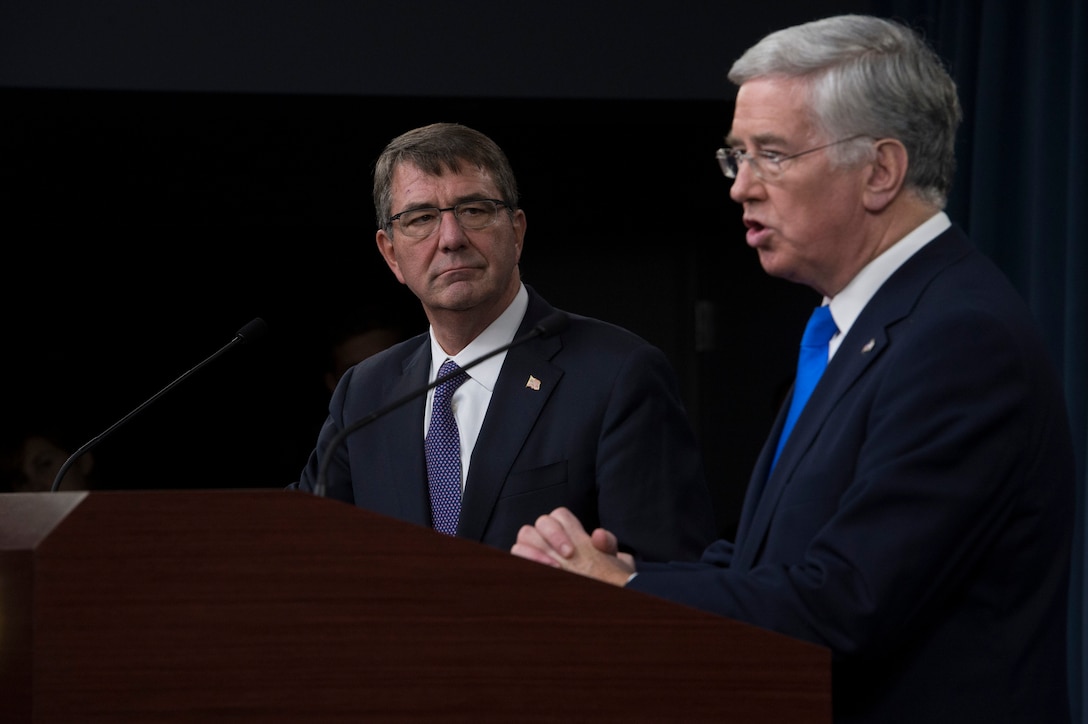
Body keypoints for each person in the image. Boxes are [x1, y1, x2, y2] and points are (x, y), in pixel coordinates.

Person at [511, 14, 1075, 724]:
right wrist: (621, 574)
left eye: (770, 155)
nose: (740, 187)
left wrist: (620, 593)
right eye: (735, 156)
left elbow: (847, 602)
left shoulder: (960, 338)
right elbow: (768, 565)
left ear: (879, 171)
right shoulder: (855, 325)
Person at [291, 122, 718, 562]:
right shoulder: (365, 393)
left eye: (474, 210)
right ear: (391, 254)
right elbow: (299, 545)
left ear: (516, 231)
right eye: (421, 219)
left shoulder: (618, 375)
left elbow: (671, 575)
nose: (452, 239)